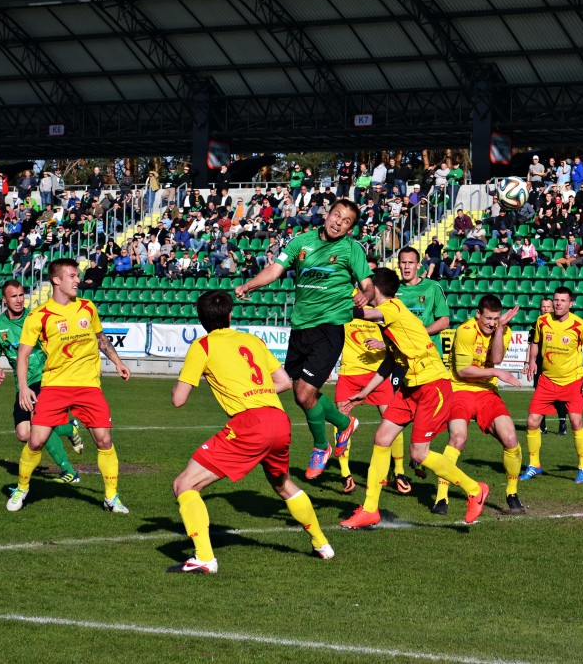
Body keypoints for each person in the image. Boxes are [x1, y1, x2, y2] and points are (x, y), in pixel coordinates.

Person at [167, 290, 334, 573]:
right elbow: (282, 381)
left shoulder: (202, 346)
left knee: (184, 485)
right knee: (283, 485)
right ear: (230, 315)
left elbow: (178, 400)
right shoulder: (251, 340)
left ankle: (205, 558)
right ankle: (322, 545)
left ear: (200, 318)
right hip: (279, 419)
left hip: (250, 424)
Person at [339, 268, 490, 529]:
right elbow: (389, 361)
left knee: (419, 454)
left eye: (366, 286)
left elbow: (365, 313)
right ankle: (370, 509)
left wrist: (334, 306)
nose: (362, 290)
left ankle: (475, 489)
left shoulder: (393, 308)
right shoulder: (389, 321)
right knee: (382, 437)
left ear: (375, 289)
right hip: (411, 387)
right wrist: (365, 391)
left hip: (433, 386)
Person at [234, 198, 373, 480]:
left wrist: (365, 295)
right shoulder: (301, 242)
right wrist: (250, 284)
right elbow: (276, 269)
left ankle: (321, 446)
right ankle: (344, 423)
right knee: (301, 396)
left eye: (347, 221)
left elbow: (368, 285)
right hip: (300, 328)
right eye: (337, 216)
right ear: (327, 214)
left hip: (329, 328)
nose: (339, 223)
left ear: (350, 228)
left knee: (303, 393)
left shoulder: (351, 249)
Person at [8, 258, 132, 513]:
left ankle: (111, 497)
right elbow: (23, 353)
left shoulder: (88, 307)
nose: (78, 280)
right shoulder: (38, 316)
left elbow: (100, 337)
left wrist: (117, 362)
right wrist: (23, 386)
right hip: (54, 387)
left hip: (89, 386)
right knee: (36, 441)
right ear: (56, 280)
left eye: (78, 275)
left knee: (104, 440)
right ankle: (22, 489)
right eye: (73, 276)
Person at [436, 295, 526, 515]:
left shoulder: (502, 331)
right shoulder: (465, 331)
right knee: (458, 438)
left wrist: (499, 329)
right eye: (488, 318)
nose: (491, 322)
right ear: (478, 314)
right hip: (460, 390)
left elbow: (496, 358)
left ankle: (512, 493)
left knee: (511, 438)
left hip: (487, 393)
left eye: (496, 318)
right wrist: (495, 372)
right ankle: (441, 496)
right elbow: (463, 371)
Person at [0, 280, 84, 486]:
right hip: (22, 384)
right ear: (4, 300)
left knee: (38, 424)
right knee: (24, 433)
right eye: (13, 296)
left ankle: (68, 470)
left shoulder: (36, 317)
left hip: (44, 379)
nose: (19, 299)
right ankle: (68, 428)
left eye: (21, 295)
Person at [519, 286, 583, 484]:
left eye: (563, 300)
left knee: (576, 423)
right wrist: (532, 360)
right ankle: (534, 464)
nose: (558, 303)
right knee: (532, 421)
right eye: (556, 300)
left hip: (573, 381)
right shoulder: (542, 321)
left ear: (571, 304)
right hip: (547, 380)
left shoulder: (580, 325)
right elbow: (535, 341)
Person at [333, 314, 407, 495]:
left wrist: (383, 344)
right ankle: (346, 475)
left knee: (394, 421)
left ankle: (399, 472)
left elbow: (399, 336)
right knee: (342, 422)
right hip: (348, 374)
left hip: (378, 375)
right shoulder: (346, 301)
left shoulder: (382, 308)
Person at [527, 297, 568, 435]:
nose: (545, 309)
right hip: (539, 365)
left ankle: (562, 424)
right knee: (540, 395)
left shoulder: (559, 324)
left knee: (560, 395)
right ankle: (542, 426)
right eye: (543, 307)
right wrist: (529, 362)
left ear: (553, 308)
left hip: (557, 365)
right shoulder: (535, 324)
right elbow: (531, 345)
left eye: (548, 307)